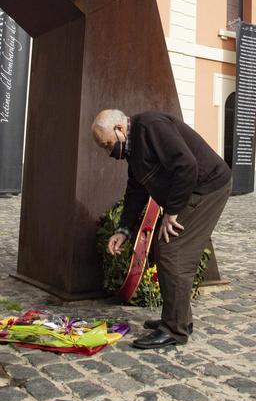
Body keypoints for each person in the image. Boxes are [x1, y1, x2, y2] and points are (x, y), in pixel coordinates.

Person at [93, 108, 231, 349]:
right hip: (195, 189)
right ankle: (178, 319)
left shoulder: (150, 126)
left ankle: (174, 330)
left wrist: (172, 212)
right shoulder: (134, 149)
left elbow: (187, 166)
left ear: (119, 129)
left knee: (173, 251)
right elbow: (135, 191)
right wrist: (123, 230)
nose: (109, 152)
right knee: (165, 249)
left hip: (208, 187)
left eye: (107, 145)